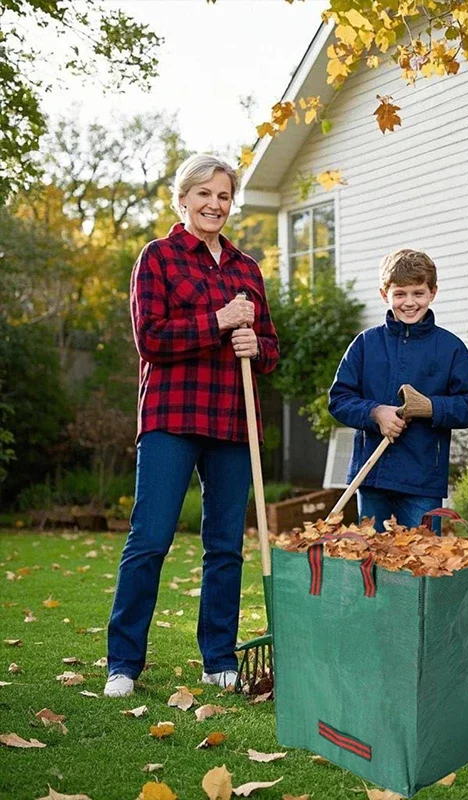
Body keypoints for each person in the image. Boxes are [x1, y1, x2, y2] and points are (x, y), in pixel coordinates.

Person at [104, 154, 279, 698]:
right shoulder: (157, 257)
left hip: (233, 420)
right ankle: (123, 663)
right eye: (204, 194)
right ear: (183, 200)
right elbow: (151, 339)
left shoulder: (247, 269)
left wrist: (256, 345)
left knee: (224, 546)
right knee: (150, 538)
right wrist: (220, 321)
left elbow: (271, 350)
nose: (214, 205)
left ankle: (218, 659)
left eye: (223, 196)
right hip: (173, 416)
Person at [329, 249, 468, 531]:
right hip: (372, 475)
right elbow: (339, 399)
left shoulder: (450, 348)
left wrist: (431, 408)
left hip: (422, 480)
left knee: (423, 555)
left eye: (418, 293)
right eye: (400, 294)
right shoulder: (366, 344)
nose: (410, 302)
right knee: (372, 553)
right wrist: (375, 412)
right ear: (384, 294)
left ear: (433, 292)